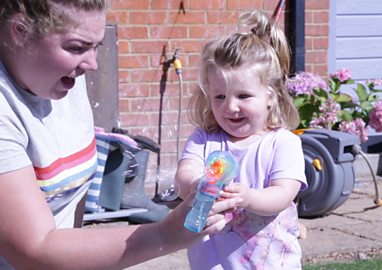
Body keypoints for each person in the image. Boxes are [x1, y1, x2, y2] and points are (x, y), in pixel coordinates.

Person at [0, 0, 240, 269]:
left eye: (96, 47)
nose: (92, 64)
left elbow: (71, 204)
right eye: (77, 47)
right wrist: (165, 235)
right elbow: (35, 250)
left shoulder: (61, 78)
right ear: (19, 30)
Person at [175, 10, 308, 270]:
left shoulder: (282, 144)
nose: (230, 107)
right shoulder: (204, 139)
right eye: (220, 97)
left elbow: (282, 195)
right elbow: (183, 178)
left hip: (270, 263)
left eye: (243, 96)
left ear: (271, 96)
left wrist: (247, 198)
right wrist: (197, 183)